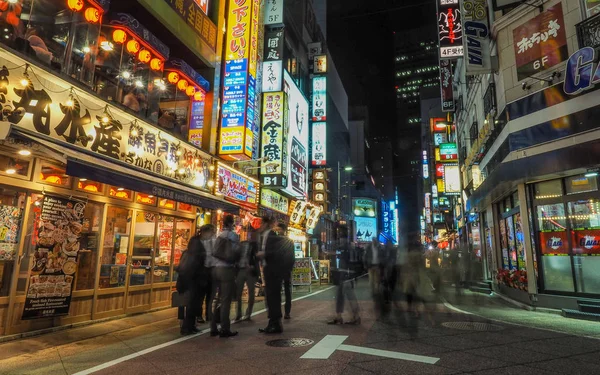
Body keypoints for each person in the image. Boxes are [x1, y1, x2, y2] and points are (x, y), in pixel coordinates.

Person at [175, 225, 210, 335]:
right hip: (192, 279)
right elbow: (196, 263)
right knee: (192, 303)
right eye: (211, 232)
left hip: (189, 278)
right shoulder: (197, 246)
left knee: (193, 304)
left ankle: (190, 326)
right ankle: (186, 327)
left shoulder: (191, 248)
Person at [210, 215, 239, 338]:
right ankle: (225, 328)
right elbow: (236, 252)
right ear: (232, 223)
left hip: (216, 268)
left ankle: (213, 327)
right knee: (226, 300)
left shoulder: (219, 235)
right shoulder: (233, 236)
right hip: (227, 269)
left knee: (216, 300)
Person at [327, 226, 360, 325]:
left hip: (346, 274)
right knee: (340, 295)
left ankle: (355, 316)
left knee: (349, 295)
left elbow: (348, 261)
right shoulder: (347, 246)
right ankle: (339, 316)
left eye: (340, 235)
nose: (339, 238)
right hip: (344, 274)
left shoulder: (346, 247)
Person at [256, 216, 284, 334]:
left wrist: (264, 254)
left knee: (273, 297)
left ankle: (275, 324)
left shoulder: (272, 235)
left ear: (266, 224)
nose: (260, 226)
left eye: (261, 223)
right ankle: (273, 323)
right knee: (270, 297)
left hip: (273, 271)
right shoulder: (265, 235)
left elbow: (277, 252)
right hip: (268, 269)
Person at [235, 231, 259, 321]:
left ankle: (248, 313)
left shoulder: (255, 245)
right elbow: (236, 255)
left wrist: (253, 266)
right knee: (238, 293)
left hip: (250, 271)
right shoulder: (241, 244)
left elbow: (257, 258)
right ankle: (239, 313)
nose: (250, 236)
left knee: (251, 293)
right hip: (241, 269)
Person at [275, 222, 295, 320]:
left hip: (283, 269)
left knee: (285, 291)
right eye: (277, 230)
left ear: (283, 230)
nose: (278, 231)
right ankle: (284, 312)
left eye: (279, 230)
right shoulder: (288, 241)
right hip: (282, 269)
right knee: (282, 291)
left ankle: (287, 312)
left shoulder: (284, 241)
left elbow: (292, 256)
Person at [199, 224, 216, 323]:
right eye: (212, 231)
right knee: (201, 294)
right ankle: (199, 315)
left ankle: (209, 314)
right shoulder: (199, 242)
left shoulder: (214, 242)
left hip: (211, 270)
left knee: (210, 294)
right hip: (203, 270)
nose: (213, 233)